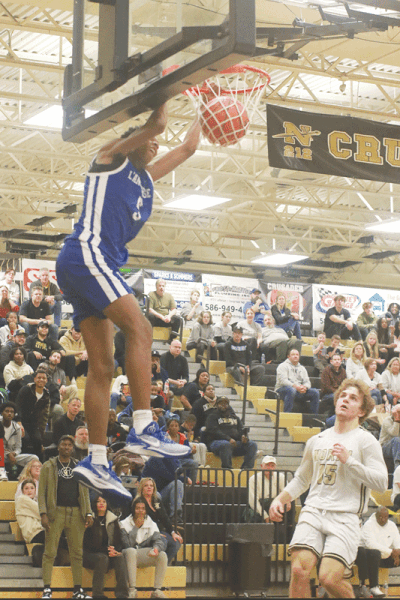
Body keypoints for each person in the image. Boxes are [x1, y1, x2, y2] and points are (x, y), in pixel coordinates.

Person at [55, 104, 198, 503]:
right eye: (150, 139)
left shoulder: (146, 177)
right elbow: (157, 122)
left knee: (103, 366)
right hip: (87, 254)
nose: (156, 142)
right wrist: (171, 90)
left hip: (88, 265)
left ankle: (97, 458)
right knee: (142, 328)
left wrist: (207, 104)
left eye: (156, 142)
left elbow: (186, 147)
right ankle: (142, 424)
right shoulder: (110, 157)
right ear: (133, 139)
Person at [269, 378, 388, 599]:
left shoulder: (366, 440)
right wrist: (280, 498)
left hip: (345, 517)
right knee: (298, 569)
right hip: (313, 511)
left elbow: (381, 483)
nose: (345, 399)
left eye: (353, 398)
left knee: (329, 578)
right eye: (343, 395)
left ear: (361, 411)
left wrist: (349, 461)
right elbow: (302, 479)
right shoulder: (317, 439)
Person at [38, 435, 93, 600]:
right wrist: (43, 513)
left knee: (77, 553)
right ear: (58, 447)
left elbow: (85, 492)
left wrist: (88, 512)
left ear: (73, 448)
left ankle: (78, 590)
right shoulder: (48, 466)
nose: (67, 447)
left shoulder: (79, 467)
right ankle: (47, 588)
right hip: (56, 513)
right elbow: (41, 493)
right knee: (50, 552)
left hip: (77, 513)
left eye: (70, 445)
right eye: (64, 444)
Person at [120, 495, 168, 598]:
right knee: (131, 551)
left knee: (162, 554)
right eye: (137, 508)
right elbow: (127, 545)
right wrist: (135, 528)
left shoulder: (151, 523)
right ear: (133, 509)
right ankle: (132, 589)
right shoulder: (124, 524)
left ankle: (157, 590)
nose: (140, 511)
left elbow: (159, 541)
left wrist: (156, 549)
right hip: (126, 555)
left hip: (141, 554)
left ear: (146, 510)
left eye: (143, 508)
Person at [82, 495, 129, 599]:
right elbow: (88, 544)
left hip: (107, 554)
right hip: (90, 555)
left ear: (107, 504)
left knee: (120, 557)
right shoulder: (90, 519)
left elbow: (118, 539)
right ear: (95, 504)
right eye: (99, 501)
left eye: (104, 501)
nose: (102, 503)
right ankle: (97, 594)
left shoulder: (113, 519)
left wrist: (116, 550)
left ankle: (123, 594)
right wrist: (107, 551)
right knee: (102, 558)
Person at [356, 506, 400, 597]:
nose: (383, 519)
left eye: (385, 517)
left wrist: (397, 553)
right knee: (375, 553)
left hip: (385, 557)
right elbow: (371, 545)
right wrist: (391, 551)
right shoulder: (369, 525)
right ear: (376, 515)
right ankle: (374, 587)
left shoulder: (392, 525)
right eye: (380, 517)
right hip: (368, 558)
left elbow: (397, 543)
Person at [137, 477, 183, 564]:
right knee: (163, 541)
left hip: (159, 530)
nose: (149, 487)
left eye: (151, 486)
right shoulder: (139, 502)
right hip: (146, 532)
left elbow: (164, 517)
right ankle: (153, 564)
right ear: (142, 488)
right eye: (146, 486)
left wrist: (173, 532)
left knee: (176, 543)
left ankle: (163, 565)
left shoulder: (156, 501)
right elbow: (140, 522)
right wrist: (155, 533)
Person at [204, 396, 257, 469]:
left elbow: (241, 430)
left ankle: (246, 469)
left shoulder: (235, 418)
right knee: (226, 444)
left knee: (252, 444)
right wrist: (228, 439)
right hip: (216, 443)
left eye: (225, 403)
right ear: (217, 405)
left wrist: (243, 437)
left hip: (234, 443)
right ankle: (228, 469)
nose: (223, 405)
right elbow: (214, 431)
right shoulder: (212, 417)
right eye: (221, 403)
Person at [16, 368, 51, 462]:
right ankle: (22, 465)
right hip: (20, 421)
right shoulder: (26, 389)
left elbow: (44, 417)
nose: (41, 380)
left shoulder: (46, 396)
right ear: (35, 379)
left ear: (46, 381)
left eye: (44, 378)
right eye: (39, 377)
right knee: (25, 439)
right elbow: (18, 406)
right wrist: (19, 422)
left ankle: (39, 465)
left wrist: (41, 434)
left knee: (38, 442)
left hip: (33, 424)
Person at [275, 348, 320, 415]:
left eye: (297, 355)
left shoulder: (302, 368)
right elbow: (283, 381)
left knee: (315, 392)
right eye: (293, 354)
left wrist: (305, 387)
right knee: (291, 390)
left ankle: (313, 417)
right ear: (288, 356)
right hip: (282, 390)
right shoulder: (282, 366)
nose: (295, 356)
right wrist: (296, 387)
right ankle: (286, 415)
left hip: (298, 391)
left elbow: (307, 382)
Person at [1, 402, 38, 478]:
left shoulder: (17, 428)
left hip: (12, 457)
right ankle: (2, 474)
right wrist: (8, 454)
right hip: (1, 455)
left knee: (34, 458)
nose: (9, 414)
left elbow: (18, 448)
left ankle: (22, 478)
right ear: (2, 413)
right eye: (7, 411)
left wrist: (14, 454)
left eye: (12, 412)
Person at [147, 278, 182, 343]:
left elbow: (174, 310)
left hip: (166, 319)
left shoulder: (169, 296)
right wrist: (161, 317)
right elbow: (150, 309)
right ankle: (149, 337)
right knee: (150, 316)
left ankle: (171, 339)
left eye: (163, 286)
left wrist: (169, 316)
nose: (161, 288)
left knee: (177, 319)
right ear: (156, 286)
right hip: (156, 319)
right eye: (159, 286)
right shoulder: (151, 294)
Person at [166, 418, 198, 483]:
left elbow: (187, 453)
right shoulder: (164, 437)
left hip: (181, 459)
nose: (174, 428)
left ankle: (192, 484)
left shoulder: (183, 437)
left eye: (176, 426)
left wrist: (192, 452)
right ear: (168, 428)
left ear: (179, 428)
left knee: (194, 463)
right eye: (172, 426)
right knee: (177, 465)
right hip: (168, 460)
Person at [15, 478, 45, 548]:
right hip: (33, 535)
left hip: (39, 533)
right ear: (22, 491)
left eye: (32, 488)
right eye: (26, 488)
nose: (29, 491)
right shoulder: (22, 499)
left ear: (35, 491)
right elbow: (41, 512)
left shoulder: (34, 502)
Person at [160, 340, 188, 405]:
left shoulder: (183, 359)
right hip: (166, 383)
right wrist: (176, 382)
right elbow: (163, 376)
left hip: (178, 384)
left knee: (191, 387)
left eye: (179, 348)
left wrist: (182, 381)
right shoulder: (163, 357)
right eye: (175, 347)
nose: (178, 349)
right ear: (170, 347)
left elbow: (186, 376)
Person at [379, 404, 400, 470]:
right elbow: (394, 434)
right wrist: (397, 420)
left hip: (397, 446)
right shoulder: (387, 420)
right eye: (398, 412)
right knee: (396, 440)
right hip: (384, 447)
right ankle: (397, 468)